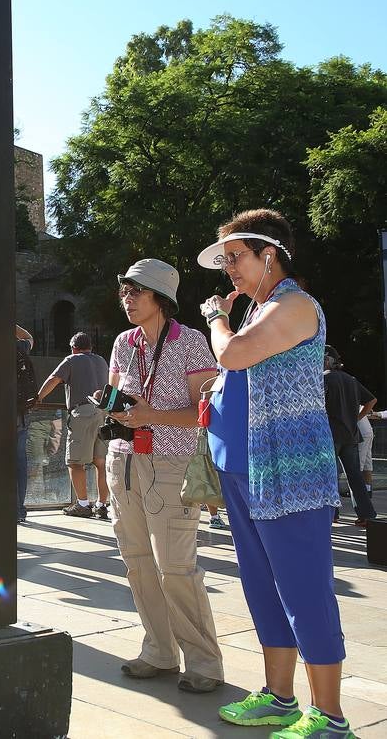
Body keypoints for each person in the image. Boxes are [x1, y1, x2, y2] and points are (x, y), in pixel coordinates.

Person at [198, 210, 356, 737]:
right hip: (247, 471)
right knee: (263, 587)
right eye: (225, 262)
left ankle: (330, 718)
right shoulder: (261, 309)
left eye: (235, 258)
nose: (229, 271)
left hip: (289, 474)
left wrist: (215, 319)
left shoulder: (295, 306)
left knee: (304, 589)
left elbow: (235, 355)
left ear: (269, 254)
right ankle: (280, 697)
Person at [106, 259, 224, 694]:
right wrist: (114, 408)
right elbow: (116, 393)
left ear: (161, 298)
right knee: (137, 564)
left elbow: (207, 413)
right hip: (125, 461)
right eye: (124, 292)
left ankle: (205, 663)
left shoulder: (191, 342)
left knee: (176, 567)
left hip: (173, 463)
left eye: (136, 292)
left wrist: (153, 415)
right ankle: (158, 651)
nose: (127, 299)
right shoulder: (123, 342)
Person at [36, 332, 110, 520]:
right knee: (100, 462)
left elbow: (53, 380)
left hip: (83, 413)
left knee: (75, 462)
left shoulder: (71, 359)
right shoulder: (101, 361)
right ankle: (102, 505)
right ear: (91, 347)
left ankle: (83, 505)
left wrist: (38, 398)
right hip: (103, 412)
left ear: (73, 347)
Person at [322, 345, 377, 526]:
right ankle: (366, 514)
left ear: (327, 360)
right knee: (355, 476)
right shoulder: (351, 379)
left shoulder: (324, 379)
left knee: (331, 476)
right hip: (351, 434)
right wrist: (356, 418)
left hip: (331, 434)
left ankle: (333, 514)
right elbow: (371, 400)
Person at [15, 325, 36, 523]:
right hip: (19, 414)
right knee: (19, 462)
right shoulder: (19, 347)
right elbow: (29, 337)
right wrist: (13, 325)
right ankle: (18, 510)